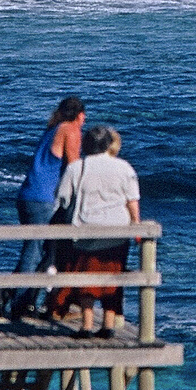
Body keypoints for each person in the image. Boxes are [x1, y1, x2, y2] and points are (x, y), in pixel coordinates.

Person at [52, 124, 140, 338]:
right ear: (108, 144)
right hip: (116, 233)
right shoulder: (124, 167)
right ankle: (108, 326)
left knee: (85, 279)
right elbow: (132, 201)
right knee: (112, 279)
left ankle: (87, 326)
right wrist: (136, 225)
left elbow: (63, 198)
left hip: (85, 230)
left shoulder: (76, 167)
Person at [4, 95, 84, 320]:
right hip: (43, 198)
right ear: (79, 115)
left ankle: (24, 297)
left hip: (30, 195)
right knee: (37, 249)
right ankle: (19, 301)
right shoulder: (70, 129)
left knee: (47, 251)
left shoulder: (53, 128)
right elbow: (74, 166)